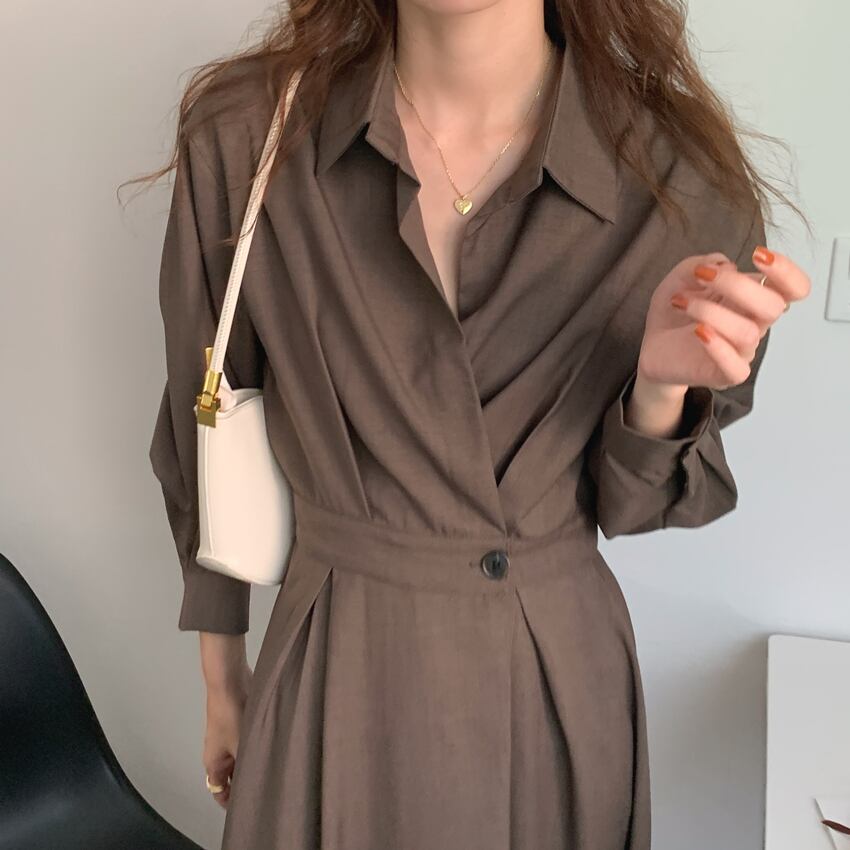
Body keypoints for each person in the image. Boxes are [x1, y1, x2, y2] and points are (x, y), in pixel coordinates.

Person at [140, 0, 811, 847]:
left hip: (552, 695)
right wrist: (222, 678)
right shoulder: (249, 135)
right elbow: (202, 411)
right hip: (332, 671)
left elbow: (636, 507)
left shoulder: (675, 179)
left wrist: (656, 390)